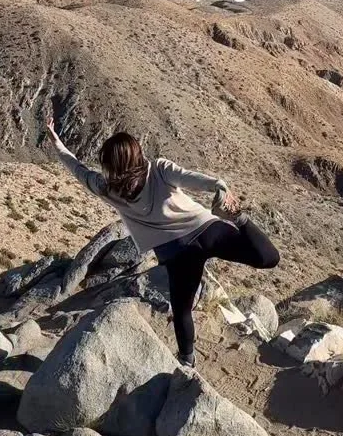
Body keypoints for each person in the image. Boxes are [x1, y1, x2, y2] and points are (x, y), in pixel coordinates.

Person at [45, 119, 280, 367]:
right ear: (137, 154)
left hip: (176, 253)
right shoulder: (158, 169)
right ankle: (240, 219)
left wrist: (57, 142)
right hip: (206, 229)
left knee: (182, 310)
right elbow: (189, 178)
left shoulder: (108, 189)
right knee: (268, 258)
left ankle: (186, 363)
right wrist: (217, 185)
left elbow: (78, 169)